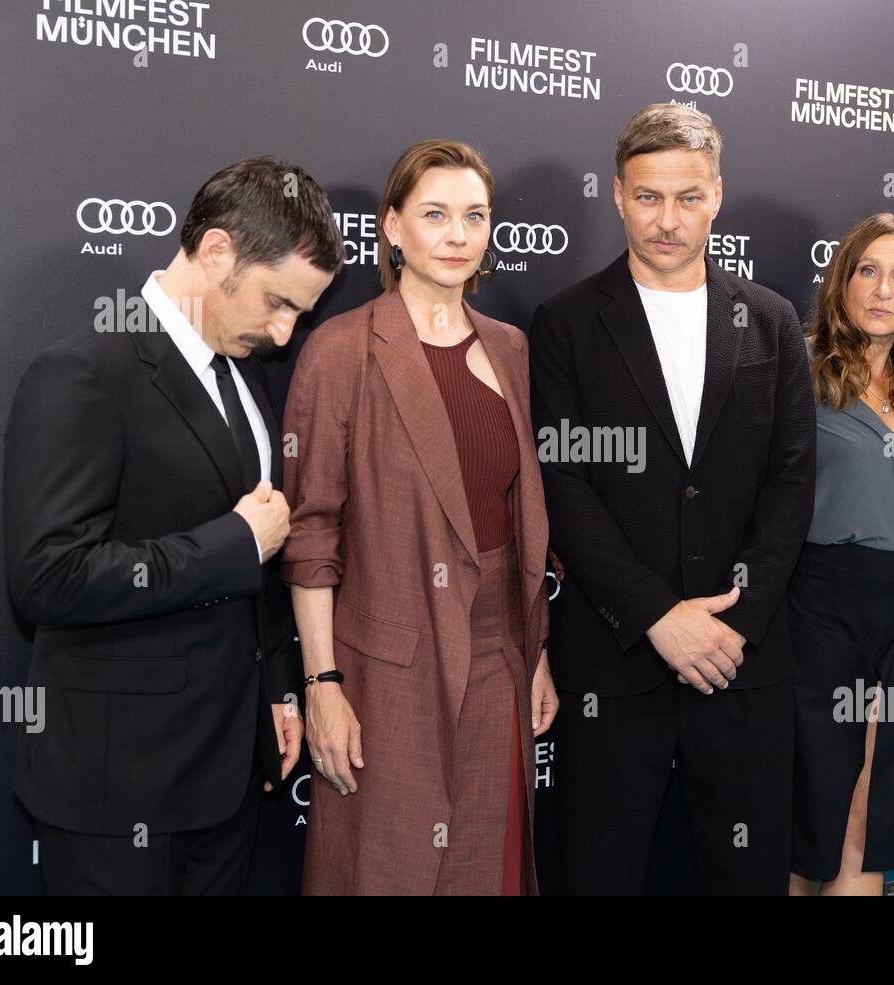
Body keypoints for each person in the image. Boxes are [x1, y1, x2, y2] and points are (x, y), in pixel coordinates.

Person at [4, 155, 342, 894]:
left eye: (301, 314)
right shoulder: (85, 371)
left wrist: (279, 689)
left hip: (226, 779)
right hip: (114, 787)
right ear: (217, 251)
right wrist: (234, 542)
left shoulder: (246, 373)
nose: (286, 334)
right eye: (278, 302)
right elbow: (47, 578)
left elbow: (261, 571)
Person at [529, 104, 815, 895]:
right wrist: (657, 615)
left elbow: (793, 483)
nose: (668, 218)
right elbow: (566, 484)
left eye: (688, 197)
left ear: (717, 196)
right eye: (648, 196)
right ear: (617, 194)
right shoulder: (566, 324)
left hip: (739, 662)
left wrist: (732, 622)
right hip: (616, 667)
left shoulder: (772, 320)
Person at [282, 140, 557, 895]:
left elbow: (521, 522)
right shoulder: (341, 350)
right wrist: (323, 682)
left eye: (475, 216)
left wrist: (538, 656)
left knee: (486, 870)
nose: (458, 234)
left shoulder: (511, 349)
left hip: (499, 657)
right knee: (387, 873)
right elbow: (311, 537)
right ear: (393, 228)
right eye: (435, 214)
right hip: (384, 672)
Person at [789, 213, 894, 896]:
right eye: (868, 271)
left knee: (875, 804)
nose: (883, 289)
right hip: (817, 607)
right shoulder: (795, 368)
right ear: (842, 281)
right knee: (811, 813)